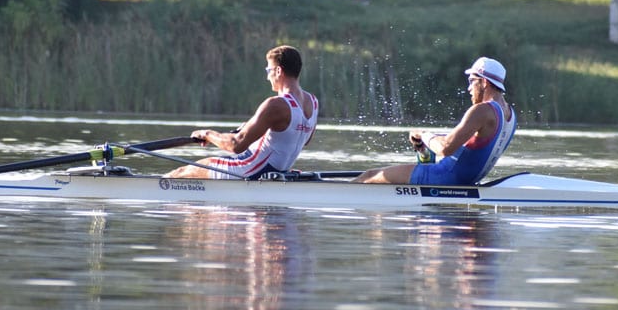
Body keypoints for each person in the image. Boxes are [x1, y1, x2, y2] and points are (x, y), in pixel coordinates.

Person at [354, 56, 516, 185]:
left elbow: (445, 148)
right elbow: (471, 144)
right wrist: (427, 143)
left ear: (485, 82)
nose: (468, 88)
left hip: (443, 177)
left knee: (369, 176)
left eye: (472, 81)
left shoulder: (482, 110)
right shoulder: (510, 115)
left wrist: (424, 134)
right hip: (466, 180)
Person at [165, 45, 318, 179]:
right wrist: (256, 129)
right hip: (277, 170)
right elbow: (302, 138)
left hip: (248, 169)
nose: (267, 77)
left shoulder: (275, 104)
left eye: (268, 70)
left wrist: (207, 134)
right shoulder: (313, 102)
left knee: (181, 172)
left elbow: (236, 144)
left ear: (278, 71)